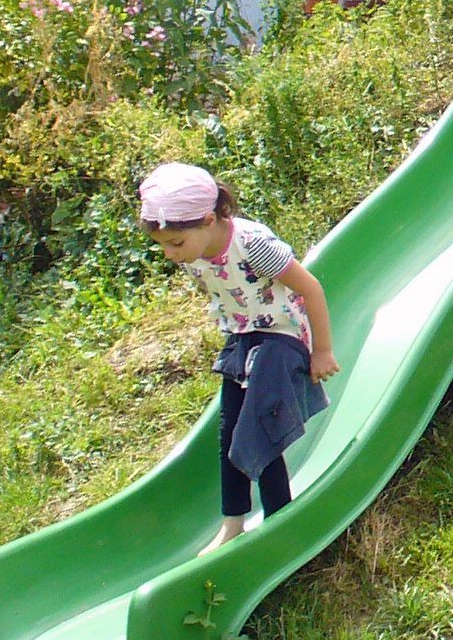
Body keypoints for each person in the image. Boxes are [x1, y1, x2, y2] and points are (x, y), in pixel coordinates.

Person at [137, 163, 339, 551]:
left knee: (259, 433)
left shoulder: (251, 244)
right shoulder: (195, 253)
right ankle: (234, 522)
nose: (169, 253)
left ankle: (281, 518)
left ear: (209, 219)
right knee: (229, 433)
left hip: (281, 338)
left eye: (176, 244)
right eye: (162, 244)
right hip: (245, 337)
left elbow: (311, 289)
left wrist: (322, 351)